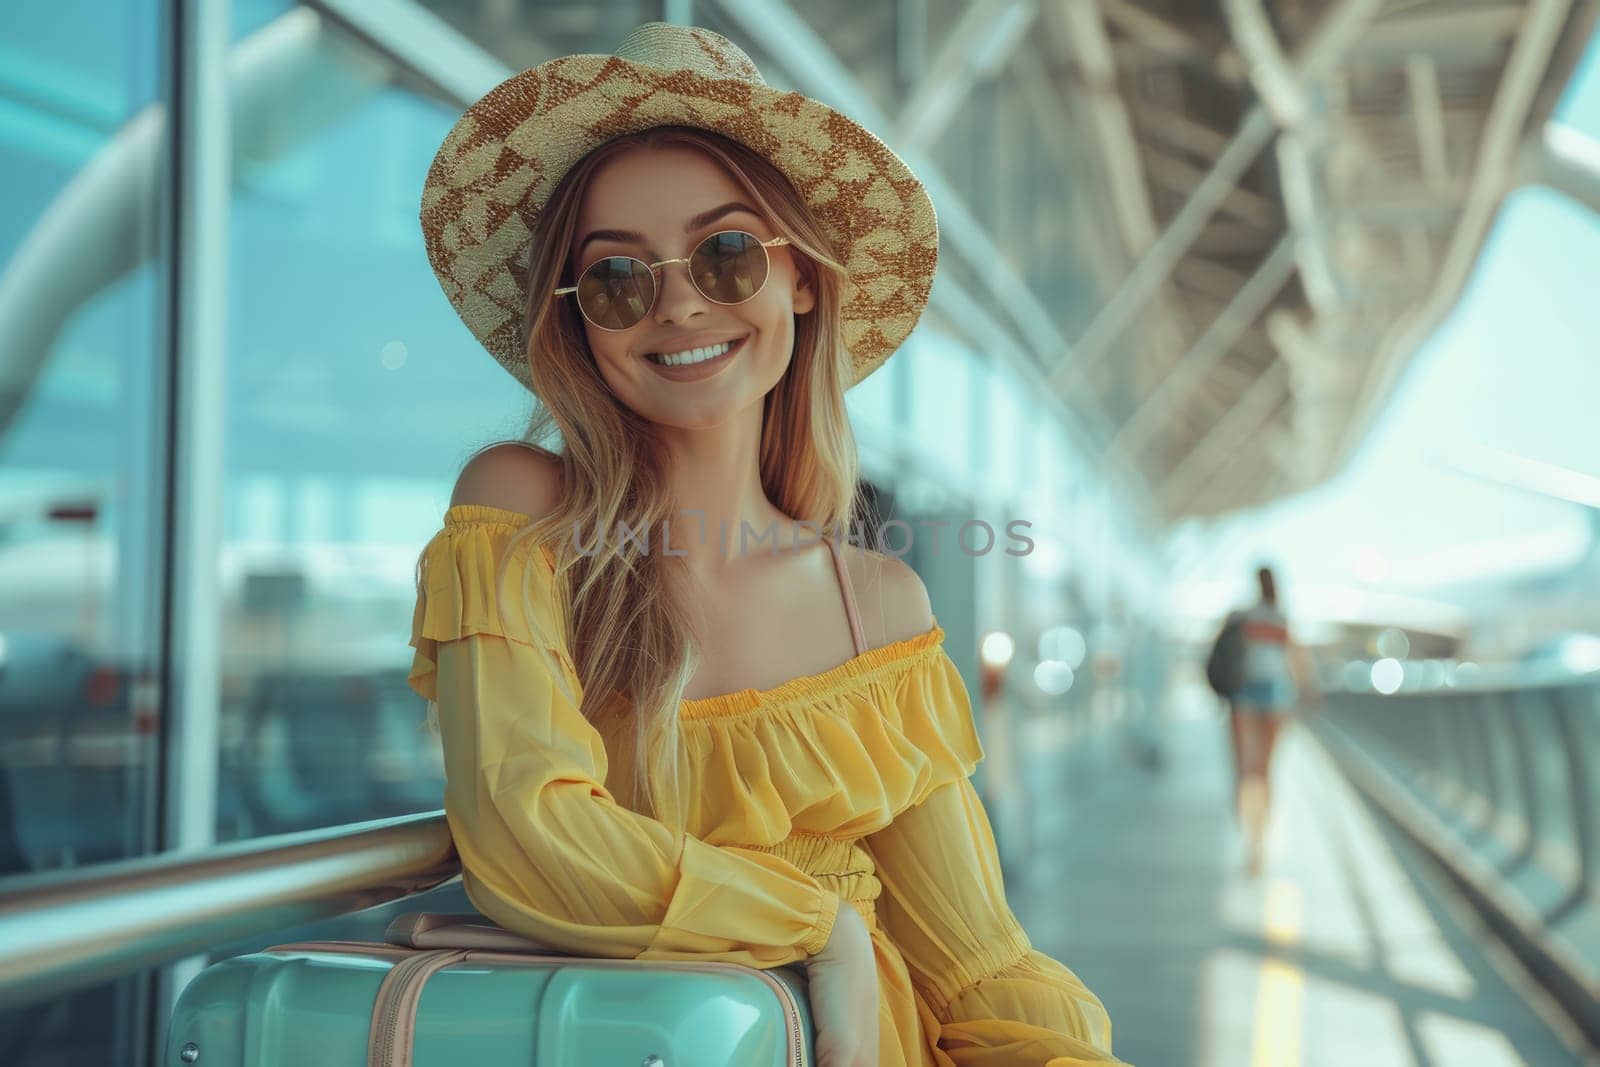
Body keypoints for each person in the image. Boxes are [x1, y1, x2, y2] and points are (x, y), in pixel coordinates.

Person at [406, 22, 1124, 1067]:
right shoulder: (524, 511)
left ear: (799, 278)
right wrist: (818, 928)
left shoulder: (876, 601)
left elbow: (979, 967)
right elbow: (528, 831)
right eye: (616, 276)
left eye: (727, 252)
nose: (679, 300)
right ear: (578, 323)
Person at [1223, 565, 1317, 876]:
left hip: (1244, 694)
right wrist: (1308, 689)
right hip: (1275, 696)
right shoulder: (1280, 620)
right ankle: (1259, 838)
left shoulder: (1242, 617)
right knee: (1264, 770)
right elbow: (1297, 660)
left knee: (1245, 769)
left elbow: (1225, 655)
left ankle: (1251, 835)